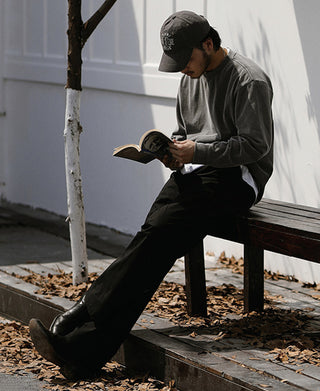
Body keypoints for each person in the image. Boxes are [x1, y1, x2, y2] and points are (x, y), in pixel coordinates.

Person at [29, 10, 274, 380]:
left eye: (185, 61)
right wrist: (170, 153)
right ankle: (83, 350)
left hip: (240, 179)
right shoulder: (189, 77)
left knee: (156, 238)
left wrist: (197, 152)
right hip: (199, 171)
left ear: (208, 44)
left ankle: (84, 315)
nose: (182, 71)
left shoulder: (248, 80)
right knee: (151, 237)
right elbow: (184, 132)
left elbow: (255, 147)